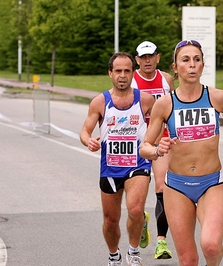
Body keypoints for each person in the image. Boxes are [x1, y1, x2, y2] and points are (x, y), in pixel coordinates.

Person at [139, 40, 223, 266]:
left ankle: (215, 258)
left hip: (211, 184)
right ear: (175, 67)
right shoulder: (164, 104)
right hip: (177, 187)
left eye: (197, 60)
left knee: (211, 246)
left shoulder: (216, 97)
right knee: (188, 260)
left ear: (202, 65)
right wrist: (157, 150)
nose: (192, 65)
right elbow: (144, 147)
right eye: (185, 60)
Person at [80, 52, 155, 266]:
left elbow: (160, 125)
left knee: (135, 209)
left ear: (133, 73)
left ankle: (133, 253)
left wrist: (153, 144)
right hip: (110, 168)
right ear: (110, 73)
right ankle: (114, 255)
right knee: (110, 221)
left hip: (138, 165)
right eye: (118, 71)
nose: (122, 75)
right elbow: (84, 131)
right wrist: (89, 141)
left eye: (127, 71)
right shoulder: (100, 102)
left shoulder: (145, 100)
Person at [131, 41, 175, 260]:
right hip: (138, 143)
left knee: (161, 187)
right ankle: (142, 219)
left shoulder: (166, 80)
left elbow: (176, 105)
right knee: (135, 203)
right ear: (137, 60)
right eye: (143, 57)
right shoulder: (130, 80)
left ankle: (161, 242)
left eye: (151, 56)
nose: (147, 61)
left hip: (161, 140)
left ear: (157, 58)